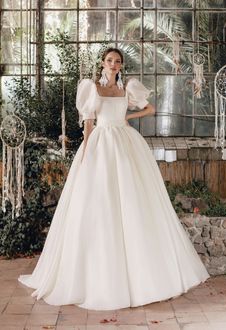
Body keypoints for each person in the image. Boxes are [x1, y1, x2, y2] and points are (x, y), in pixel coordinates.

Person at [18, 47, 209, 311]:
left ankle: (144, 275)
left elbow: (150, 109)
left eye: (118, 61)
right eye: (110, 60)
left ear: (120, 65)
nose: (114, 64)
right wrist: (86, 151)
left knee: (134, 201)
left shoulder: (128, 88)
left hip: (126, 142)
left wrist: (127, 117)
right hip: (101, 143)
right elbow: (88, 123)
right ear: (102, 63)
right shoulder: (91, 88)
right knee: (98, 202)